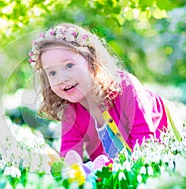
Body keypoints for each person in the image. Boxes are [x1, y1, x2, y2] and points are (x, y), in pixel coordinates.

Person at [28, 23, 170, 162]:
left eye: (69, 65)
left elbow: (145, 142)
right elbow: (69, 156)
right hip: (116, 177)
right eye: (52, 73)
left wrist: (105, 168)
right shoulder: (71, 112)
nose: (62, 78)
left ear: (91, 61)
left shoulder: (125, 86)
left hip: (159, 161)